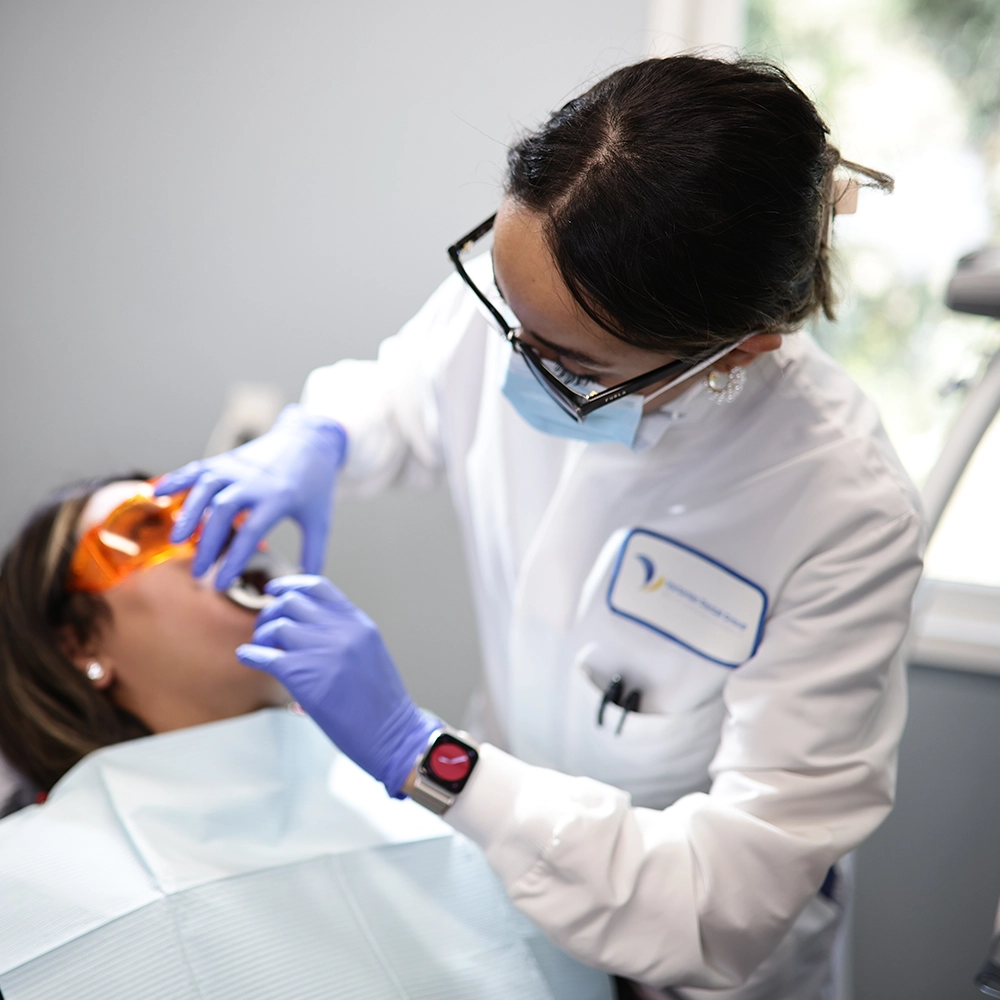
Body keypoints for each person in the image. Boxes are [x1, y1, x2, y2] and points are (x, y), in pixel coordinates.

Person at [156, 56, 925, 998]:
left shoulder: (844, 511)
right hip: (497, 891)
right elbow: (415, 391)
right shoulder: (539, 286)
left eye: (565, 360)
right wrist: (317, 436)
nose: (511, 360)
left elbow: (723, 899)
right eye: (501, 306)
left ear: (743, 345)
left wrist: (421, 754)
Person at [0, 477, 611, 1000]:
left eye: (223, 511)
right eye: (151, 528)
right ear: (78, 643)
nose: (219, 535)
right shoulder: (26, 881)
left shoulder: (442, 791)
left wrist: (418, 749)